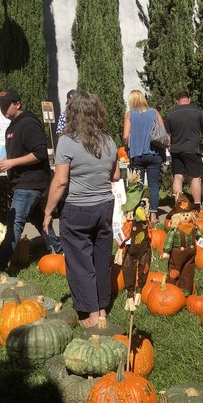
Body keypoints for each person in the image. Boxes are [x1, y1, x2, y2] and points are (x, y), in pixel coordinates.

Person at [43, 91, 120, 327]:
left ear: (72, 114)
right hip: (105, 206)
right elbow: (115, 175)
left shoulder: (67, 142)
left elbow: (61, 181)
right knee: (100, 258)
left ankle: (91, 313)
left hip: (78, 208)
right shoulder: (108, 140)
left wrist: (47, 213)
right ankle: (102, 308)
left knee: (80, 261)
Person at [0, 90, 62, 276]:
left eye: (6, 104)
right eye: (1, 105)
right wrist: (5, 162)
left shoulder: (28, 124)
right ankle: (60, 251)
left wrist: (10, 163)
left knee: (15, 223)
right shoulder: (11, 127)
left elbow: (39, 153)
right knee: (39, 220)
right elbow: (20, 153)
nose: (3, 108)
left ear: (17, 104)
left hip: (30, 183)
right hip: (23, 183)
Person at [123, 89, 164, 224]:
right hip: (154, 153)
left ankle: (139, 214)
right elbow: (162, 132)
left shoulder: (129, 115)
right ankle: (153, 216)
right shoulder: (154, 112)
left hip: (137, 155)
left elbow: (125, 137)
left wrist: (126, 147)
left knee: (138, 186)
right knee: (153, 185)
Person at [164, 91, 203, 208]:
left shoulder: (170, 114)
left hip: (176, 149)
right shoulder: (197, 111)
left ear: (177, 101)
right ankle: (197, 206)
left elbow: (167, 134)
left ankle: (178, 205)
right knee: (195, 177)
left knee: (178, 176)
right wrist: (200, 133)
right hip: (192, 149)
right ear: (189, 99)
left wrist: (169, 147)